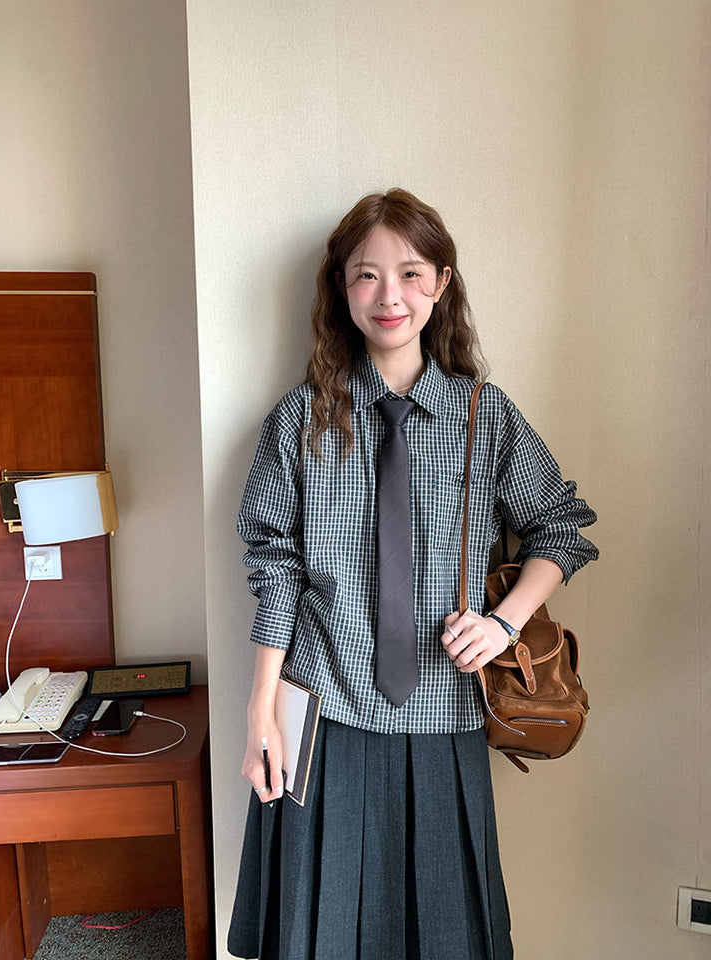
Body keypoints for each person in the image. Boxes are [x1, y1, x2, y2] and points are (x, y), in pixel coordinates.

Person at [227, 188, 598, 960]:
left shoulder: (484, 418)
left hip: (445, 721)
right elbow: (276, 571)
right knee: (320, 937)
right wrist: (261, 712)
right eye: (365, 275)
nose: (388, 295)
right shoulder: (300, 422)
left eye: (409, 272)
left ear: (441, 284)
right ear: (341, 291)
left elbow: (561, 527)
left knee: (446, 939)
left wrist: (504, 623)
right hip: (325, 717)